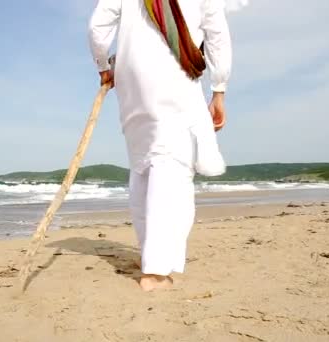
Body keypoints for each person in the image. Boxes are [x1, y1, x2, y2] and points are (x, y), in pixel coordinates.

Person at [88, 0, 232, 291]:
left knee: (143, 164)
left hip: (131, 80)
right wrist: (219, 87)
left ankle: (149, 257)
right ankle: (154, 272)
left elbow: (97, 26)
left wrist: (104, 66)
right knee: (171, 164)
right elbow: (216, 34)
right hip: (172, 73)